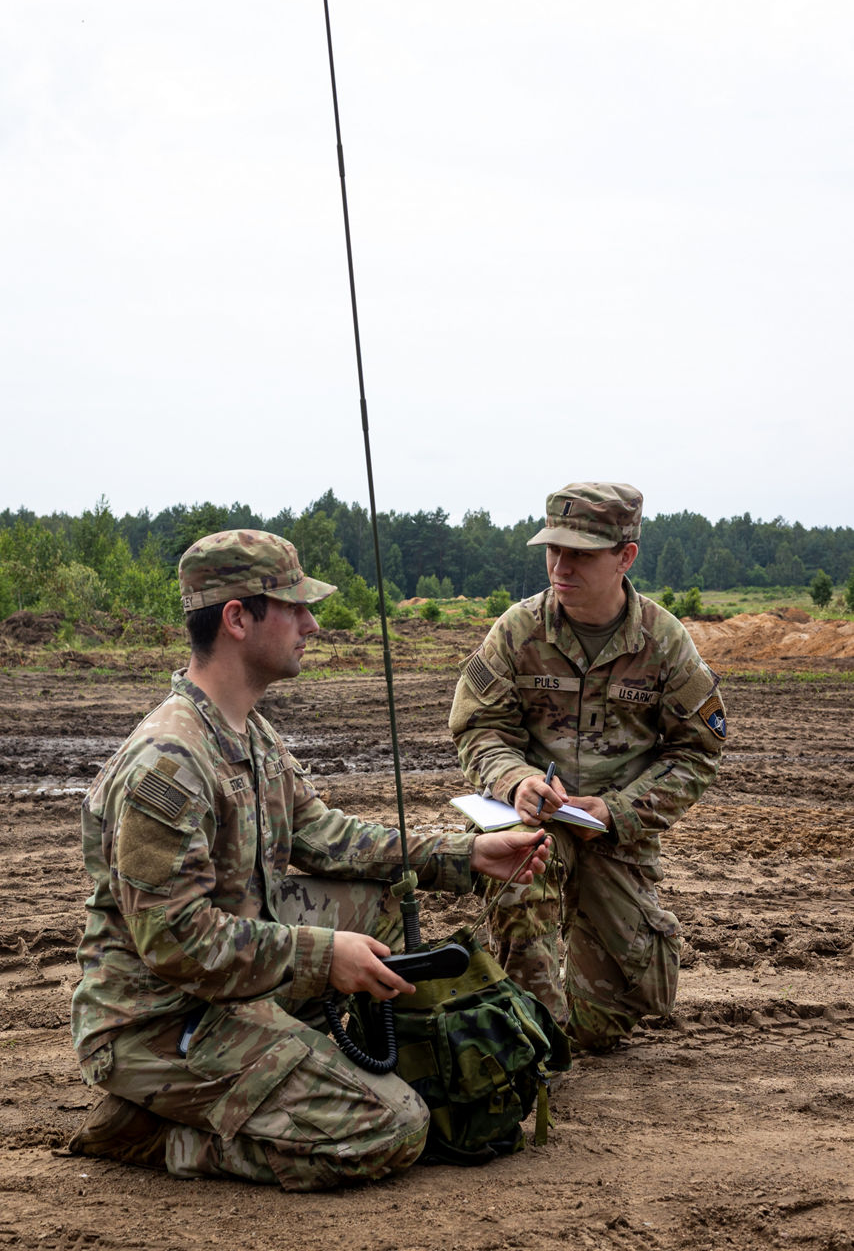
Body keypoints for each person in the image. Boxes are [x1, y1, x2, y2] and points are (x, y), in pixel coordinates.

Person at [68, 529, 551, 1190]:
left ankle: (294, 1060)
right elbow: (175, 943)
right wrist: (324, 956)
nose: (313, 624)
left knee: (372, 901)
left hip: (222, 985)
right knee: (395, 1128)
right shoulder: (168, 765)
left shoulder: (246, 729)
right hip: (156, 1023)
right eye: (294, 607)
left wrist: (466, 855)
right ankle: (155, 1134)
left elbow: (325, 836)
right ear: (238, 618)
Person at [449, 482, 726, 1054]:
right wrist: (513, 780)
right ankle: (529, 1040)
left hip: (614, 834)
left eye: (580, 552)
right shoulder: (519, 631)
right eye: (554, 549)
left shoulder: (664, 642)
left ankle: (570, 1012)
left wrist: (619, 810)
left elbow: (696, 751)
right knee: (522, 878)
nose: (560, 565)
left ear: (625, 556)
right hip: (536, 820)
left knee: (605, 1024)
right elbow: (479, 728)